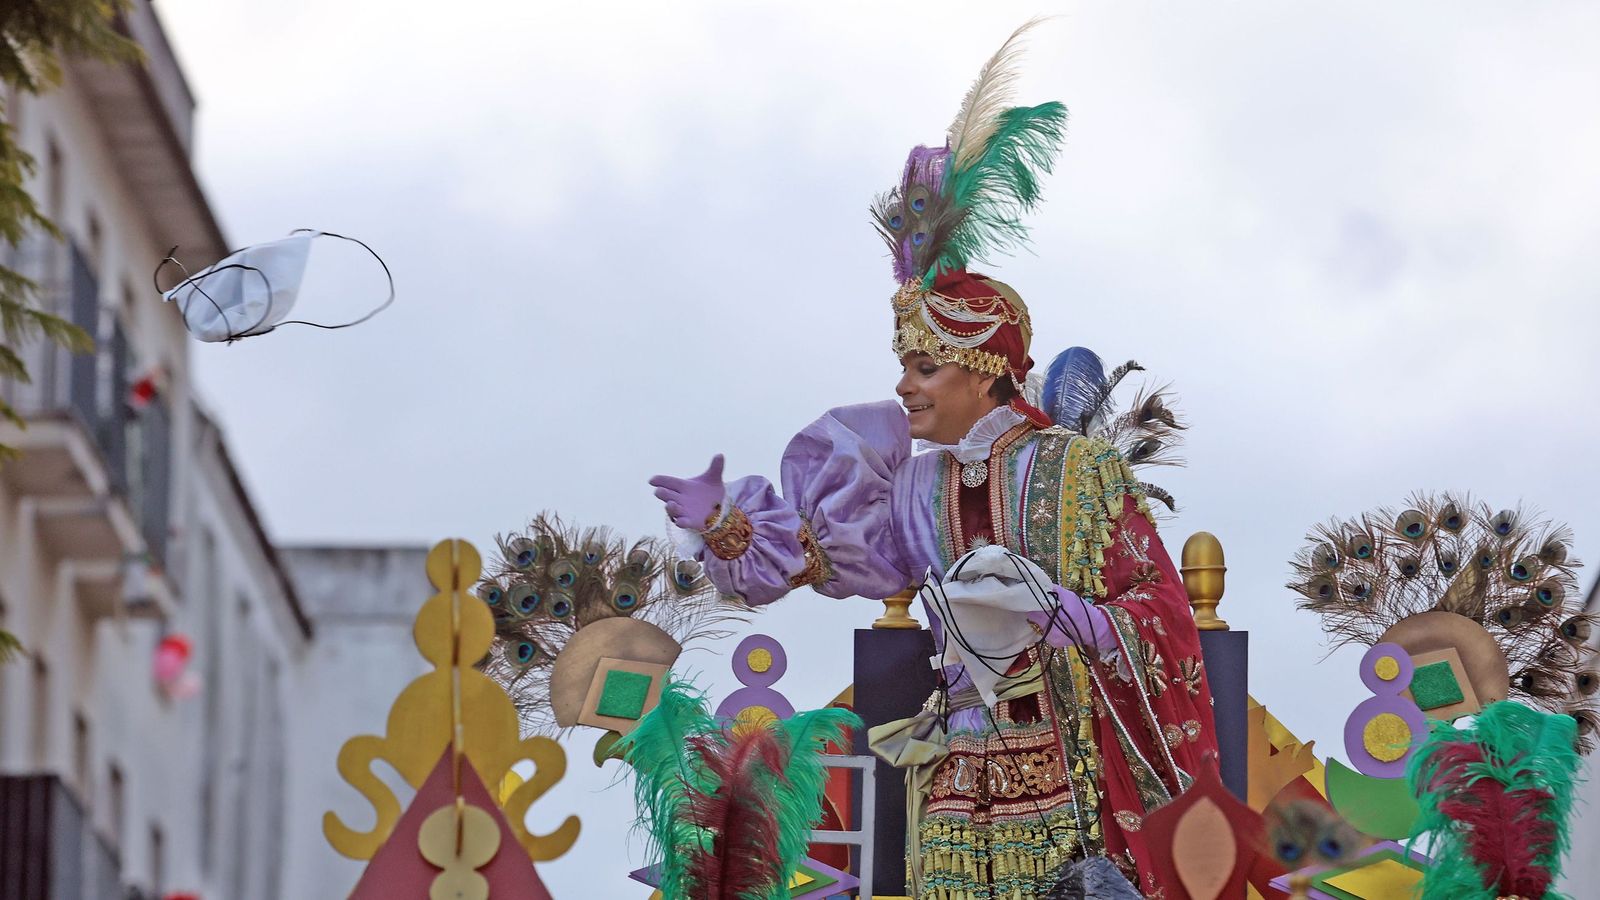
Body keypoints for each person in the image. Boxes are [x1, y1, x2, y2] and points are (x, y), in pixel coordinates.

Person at [649, 23, 1216, 898]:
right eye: (905, 366)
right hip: (956, 767)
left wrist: (1074, 618)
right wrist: (727, 527)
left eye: (924, 367)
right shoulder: (915, 487)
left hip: (1076, 763)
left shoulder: (1077, 471)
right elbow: (817, 558)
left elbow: (1159, 607)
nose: (904, 386)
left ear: (983, 370)